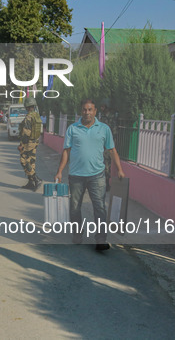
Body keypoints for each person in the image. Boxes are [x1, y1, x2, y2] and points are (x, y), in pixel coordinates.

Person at [54, 99, 125, 251]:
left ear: (95, 111)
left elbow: (112, 150)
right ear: (81, 111)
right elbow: (66, 151)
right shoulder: (72, 129)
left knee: (99, 207)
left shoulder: (104, 129)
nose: (87, 112)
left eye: (90, 110)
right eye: (84, 110)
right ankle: (77, 234)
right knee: (74, 207)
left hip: (97, 175)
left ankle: (100, 239)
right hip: (76, 175)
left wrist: (119, 169)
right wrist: (60, 171)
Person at [18, 97, 43, 191]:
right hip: (34, 141)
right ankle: (31, 182)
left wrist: (21, 145)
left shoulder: (29, 117)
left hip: (28, 142)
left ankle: (36, 180)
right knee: (31, 162)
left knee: (24, 160)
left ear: (27, 106)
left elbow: (26, 132)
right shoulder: (36, 115)